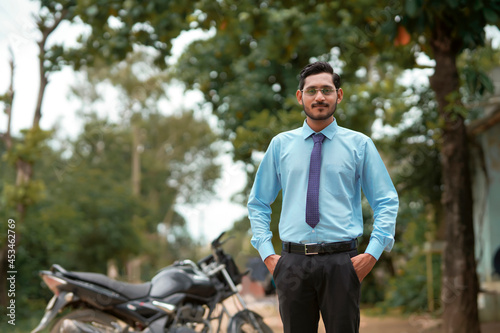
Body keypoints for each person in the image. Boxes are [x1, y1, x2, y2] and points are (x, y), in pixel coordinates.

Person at [247, 61, 399, 333]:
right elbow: (258, 202)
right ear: (300, 96)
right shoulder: (280, 145)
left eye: (327, 90)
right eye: (312, 90)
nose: (319, 97)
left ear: (338, 95)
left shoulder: (359, 145)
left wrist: (372, 255)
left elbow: (386, 201)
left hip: (342, 263)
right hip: (292, 263)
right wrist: (268, 255)